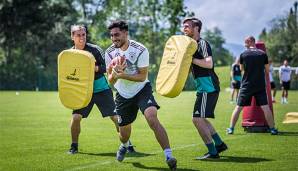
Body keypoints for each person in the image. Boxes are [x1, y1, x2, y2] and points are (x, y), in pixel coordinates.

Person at [105, 20, 177, 170]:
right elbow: (110, 80)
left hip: (141, 90)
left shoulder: (140, 50)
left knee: (152, 117)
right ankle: (124, 145)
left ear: (125, 33)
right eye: (111, 35)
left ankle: (169, 155)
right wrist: (114, 74)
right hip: (122, 95)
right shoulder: (109, 53)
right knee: (124, 133)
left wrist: (122, 74)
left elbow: (142, 77)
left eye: (116, 34)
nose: (114, 38)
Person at [68, 24, 135, 154]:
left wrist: (95, 68)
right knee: (76, 117)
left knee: (115, 117)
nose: (82, 37)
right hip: (82, 91)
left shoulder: (95, 50)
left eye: (83, 34)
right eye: (78, 35)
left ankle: (127, 143)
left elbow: (107, 66)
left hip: (101, 89)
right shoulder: (69, 54)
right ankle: (74, 146)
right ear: (72, 37)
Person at [182, 17, 228, 160]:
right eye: (183, 26)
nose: (184, 29)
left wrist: (191, 59)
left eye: (187, 26)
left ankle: (213, 152)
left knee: (197, 119)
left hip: (208, 87)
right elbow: (191, 67)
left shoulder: (202, 43)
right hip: (204, 87)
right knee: (201, 118)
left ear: (196, 28)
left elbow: (208, 64)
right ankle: (219, 144)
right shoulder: (191, 46)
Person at [226, 36, 278, 135]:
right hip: (260, 85)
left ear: (250, 42)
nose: (245, 45)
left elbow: (241, 69)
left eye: (246, 42)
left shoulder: (243, 54)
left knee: (238, 107)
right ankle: (272, 129)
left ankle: (231, 128)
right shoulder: (263, 54)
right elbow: (267, 70)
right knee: (265, 107)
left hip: (246, 85)